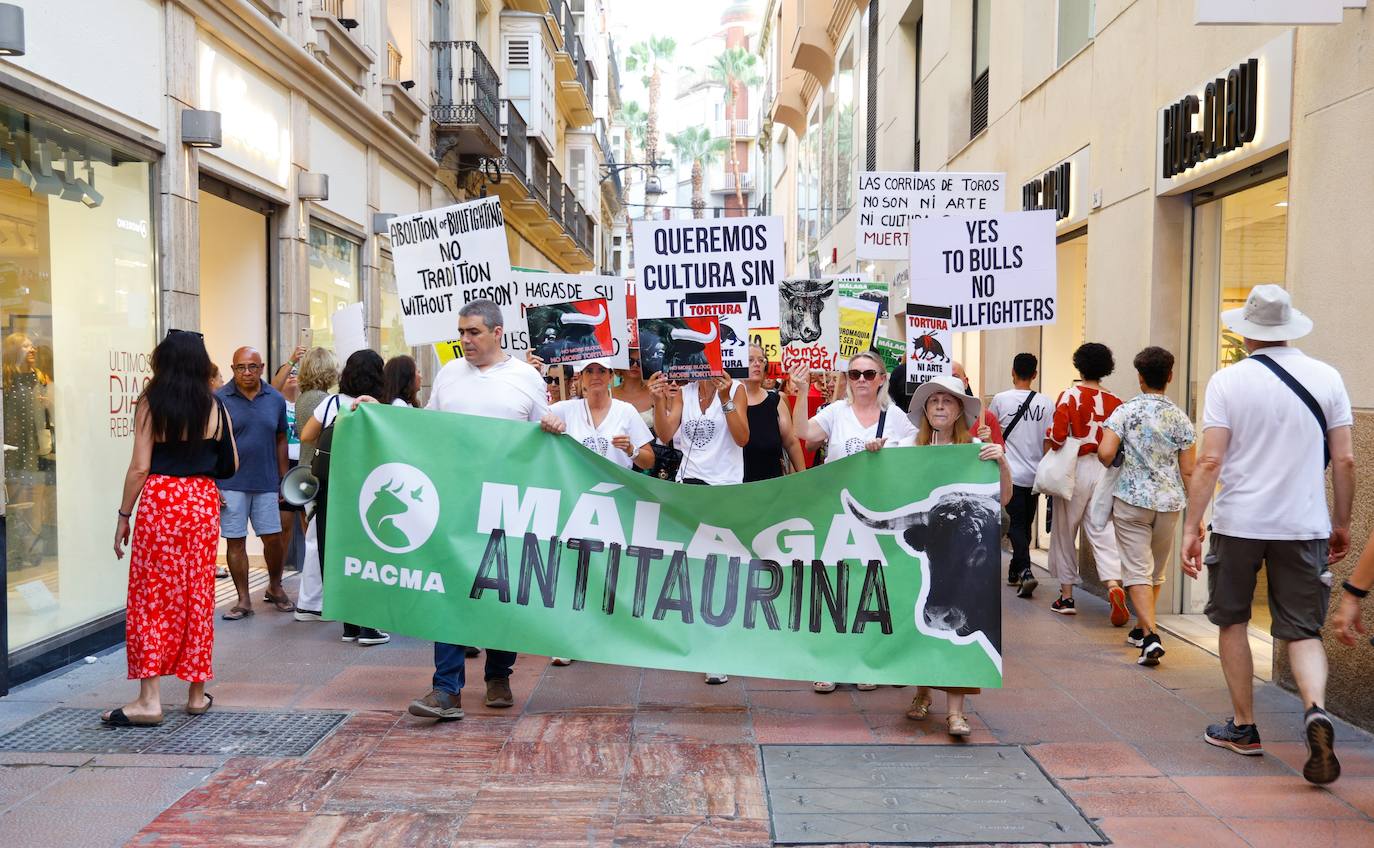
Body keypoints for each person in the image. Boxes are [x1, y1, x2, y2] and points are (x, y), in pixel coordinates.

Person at [1181, 285, 1353, 785]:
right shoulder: (1328, 378)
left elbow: (1211, 459)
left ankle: (1245, 728)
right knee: (1303, 629)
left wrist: (1193, 526)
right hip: (1303, 524)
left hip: (1239, 523)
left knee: (1232, 620)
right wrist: (1340, 522)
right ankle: (1316, 710)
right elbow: (1344, 459)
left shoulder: (1228, 381)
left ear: (1247, 331)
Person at [407, 299, 549, 721]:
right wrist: (373, 414)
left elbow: (547, 435)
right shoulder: (449, 375)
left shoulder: (527, 378)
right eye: (462, 332)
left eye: (473, 332)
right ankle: (445, 688)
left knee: (500, 590)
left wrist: (554, 424)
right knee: (449, 590)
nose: (465, 340)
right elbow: (427, 426)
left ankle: (499, 674)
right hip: (455, 500)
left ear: (498, 332)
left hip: (508, 504)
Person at [105, 329, 233, 726]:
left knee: (151, 597)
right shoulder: (216, 406)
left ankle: (149, 699)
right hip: (201, 503)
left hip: (162, 502)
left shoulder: (150, 402)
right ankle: (196, 694)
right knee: (197, 593)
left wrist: (124, 515)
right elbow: (231, 464)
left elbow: (140, 466)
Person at [790, 351, 916, 694]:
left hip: (877, 515)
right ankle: (830, 662)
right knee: (834, 584)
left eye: (868, 374)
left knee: (872, 585)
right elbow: (803, 431)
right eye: (855, 373)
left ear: (881, 378)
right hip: (837, 512)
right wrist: (801, 392)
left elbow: (921, 449)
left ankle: (867, 662)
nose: (861, 379)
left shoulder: (896, 418)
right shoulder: (837, 412)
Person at [901, 374, 1011, 737]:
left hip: (967, 562)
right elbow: (889, 486)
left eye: (948, 401)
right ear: (925, 412)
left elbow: (1004, 498)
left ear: (960, 409)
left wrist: (1002, 461)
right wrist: (874, 454)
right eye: (934, 402)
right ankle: (921, 693)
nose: (941, 407)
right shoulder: (907, 449)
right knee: (918, 625)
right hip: (927, 560)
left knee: (963, 629)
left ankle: (955, 711)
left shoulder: (977, 452)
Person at [1097, 347, 1196, 666]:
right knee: (1156, 569)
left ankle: (1151, 635)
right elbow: (1189, 470)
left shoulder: (1125, 411)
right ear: (1170, 376)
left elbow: (1105, 453)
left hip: (1131, 499)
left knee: (1137, 569)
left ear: (1140, 378)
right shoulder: (1180, 417)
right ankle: (1141, 629)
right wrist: (1196, 514)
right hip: (1169, 503)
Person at [651, 364, 749, 684]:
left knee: (717, 571)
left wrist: (724, 397)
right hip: (689, 490)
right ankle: (700, 644)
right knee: (692, 571)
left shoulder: (735, 390)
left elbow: (742, 437)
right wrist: (657, 402)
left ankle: (717, 652)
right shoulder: (686, 391)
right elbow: (665, 435)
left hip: (724, 492)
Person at [298, 350, 391, 647]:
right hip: (366, 489)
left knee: (336, 552)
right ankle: (369, 626)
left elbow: (307, 436)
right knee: (369, 552)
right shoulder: (382, 408)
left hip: (330, 486)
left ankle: (349, 624)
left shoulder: (331, 403)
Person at [1044, 343, 1124, 619]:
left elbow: (1056, 437)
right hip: (1104, 470)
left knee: (1066, 531)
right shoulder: (1116, 401)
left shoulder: (1069, 396)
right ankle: (1113, 584)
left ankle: (1066, 597)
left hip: (1075, 468)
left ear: (1079, 365)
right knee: (1103, 531)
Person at [216, 346, 292, 620]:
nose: (246, 372)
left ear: (261, 368)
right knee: (235, 542)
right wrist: (213, 482)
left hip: (266, 481)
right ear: (233, 368)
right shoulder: (219, 398)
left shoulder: (275, 398)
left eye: (252, 367)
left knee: (273, 539)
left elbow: (281, 438)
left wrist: (284, 478)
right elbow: (210, 442)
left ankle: (275, 586)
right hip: (230, 482)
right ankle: (243, 600)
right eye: (240, 367)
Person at [988, 353, 1053, 596]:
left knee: (1017, 524)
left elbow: (993, 433)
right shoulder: (1046, 403)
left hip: (1010, 473)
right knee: (1024, 524)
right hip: (1035, 474)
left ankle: (1024, 570)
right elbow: (1048, 440)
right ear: (1034, 375)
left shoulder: (1000, 400)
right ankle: (1017, 572)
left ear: (1012, 372)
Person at [291, 347, 338, 622]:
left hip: (305, 472)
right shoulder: (324, 400)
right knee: (315, 540)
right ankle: (309, 603)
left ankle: (311, 601)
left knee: (313, 537)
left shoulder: (303, 398)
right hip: (316, 473)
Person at [540, 358, 654, 471]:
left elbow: (649, 461)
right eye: (589, 371)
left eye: (601, 371)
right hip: (579, 487)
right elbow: (530, 419)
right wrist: (547, 421)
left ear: (611, 376)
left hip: (617, 487)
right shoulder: (565, 409)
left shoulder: (626, 411)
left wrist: (630, 449)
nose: (595, 377)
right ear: (581, 376)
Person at [3, 332, 53, 572]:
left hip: (32, 448)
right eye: (25, 346)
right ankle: (14, 550)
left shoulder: (38, 378)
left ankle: (27, 548)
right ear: (14, 350)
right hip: (11, 449)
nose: (32, 349)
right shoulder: (6, 379)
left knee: (30, 501)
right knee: (14, 501)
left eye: (33, 345)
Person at [743, 344, 807, 481]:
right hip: (735, 487)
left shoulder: (775, 401)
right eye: (750, 360)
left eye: (761, 360)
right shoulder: (726, 401)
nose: (757, 364)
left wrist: (803, 478)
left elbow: (791, 442)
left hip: (772, 485)